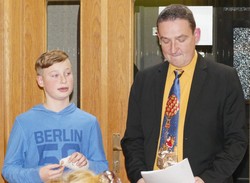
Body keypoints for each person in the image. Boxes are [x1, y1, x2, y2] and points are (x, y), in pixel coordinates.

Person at [121, 4, 248, 183]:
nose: (173, 49)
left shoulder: (224, 79)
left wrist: (206, 179)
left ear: (196, 35)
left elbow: (237, 141)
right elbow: (132, 139)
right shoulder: (144, 80)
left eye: (180, 39)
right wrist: (139, 176)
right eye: (165, 41)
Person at [2, 50, 108, 183]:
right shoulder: (24, 122)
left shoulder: (89, 122)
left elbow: (102, 166)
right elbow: (9, 170)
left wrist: (87, 165)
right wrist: (38, 175)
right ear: (41, 81)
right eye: (55, 75)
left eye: (67, 73)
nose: (63, 80)